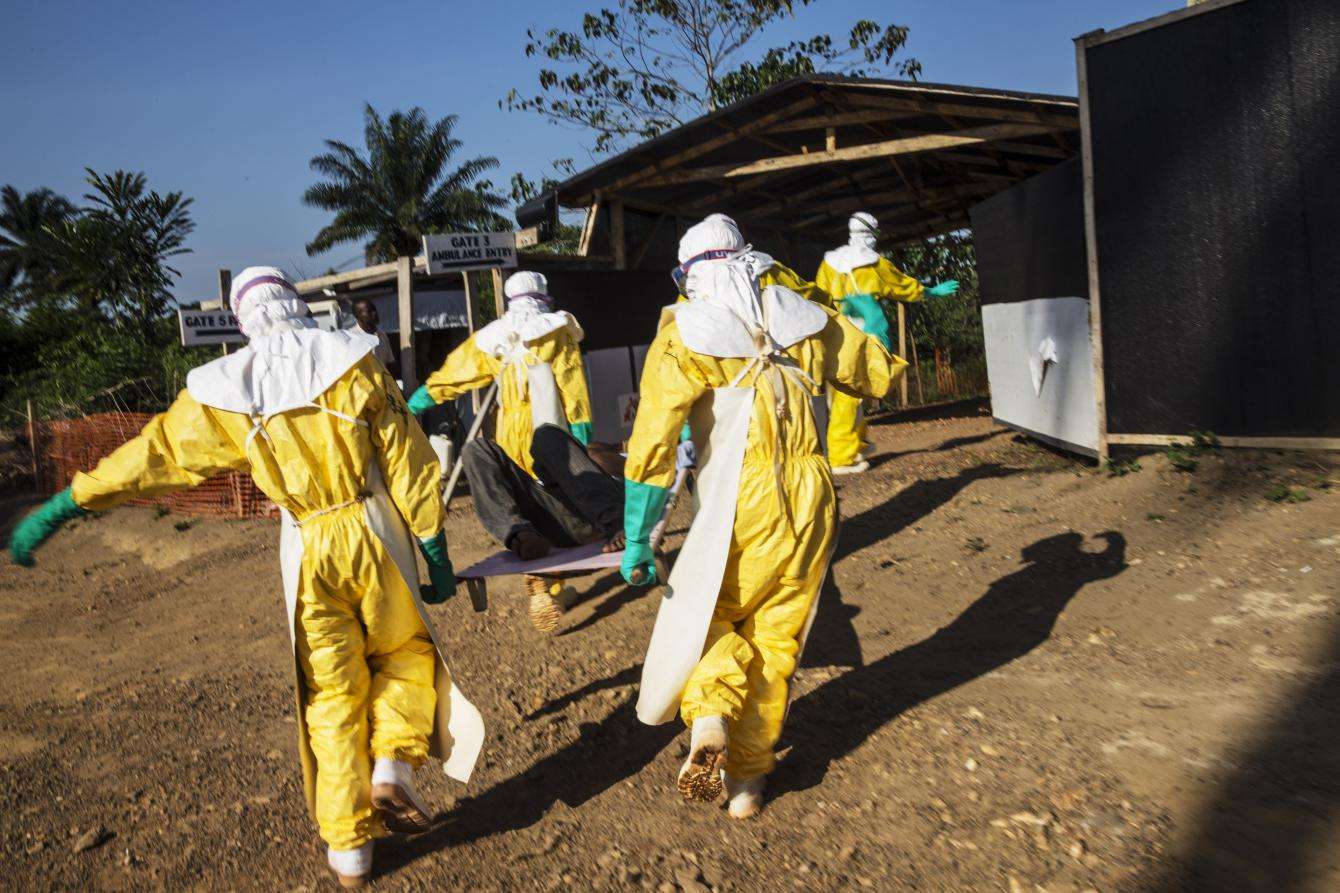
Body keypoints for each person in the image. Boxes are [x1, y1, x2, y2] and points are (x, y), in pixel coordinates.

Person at [7, 267, 484, 888]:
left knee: (331, 691)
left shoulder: (223, 391)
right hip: (372, 529)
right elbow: (409, 459)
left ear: (242, 320)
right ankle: (392, 764)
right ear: (297, 303)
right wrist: (436, 550)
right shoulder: (354, 360)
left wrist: (71, 501)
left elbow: (154, 455)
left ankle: (349, 852)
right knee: (404, 653)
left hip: (307, 545)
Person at [622, 216, 905, 819]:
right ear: (752, 259)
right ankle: (747, 782)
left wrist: (640, 536)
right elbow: (878, 374)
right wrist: (860, 321)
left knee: (711, 617)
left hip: (735, 501)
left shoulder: (684, 334)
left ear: (689, 275)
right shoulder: (804, 317)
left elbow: (652, 442)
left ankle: (710, 718)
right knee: (778, 642)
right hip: (811, 497)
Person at [406, 271, 593, 479]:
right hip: (549, 423)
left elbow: (455, 374)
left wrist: (418, 401)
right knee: (556, 487)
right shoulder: (558, 332)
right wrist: (581, 430)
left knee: (518, 486)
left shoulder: (491, 336)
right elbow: (572, 385)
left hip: (508, 428)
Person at [814, 211, 960, 474]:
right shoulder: (875, 264)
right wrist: (929, 291)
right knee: (853, 393)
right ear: (872, 234)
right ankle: (841, 456)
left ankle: (854, 443)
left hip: (835, 332)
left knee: (839, 394)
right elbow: (903, 286)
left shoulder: (829, 263)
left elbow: (818, 295)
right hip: (863, 334)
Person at [461, 422, 627, 633]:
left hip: (599, 511)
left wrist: (595, 457)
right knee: (476, 449)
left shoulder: (620, 458)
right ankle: (519, 534)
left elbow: (622, 467)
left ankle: (617, 520)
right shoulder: (579, 453)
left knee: (546, 434)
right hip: (555, 516)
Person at [351, 296, 399, 378]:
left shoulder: (382, 335)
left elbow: (390, 364)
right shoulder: (352, 339)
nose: (374, 313)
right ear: (357, 316)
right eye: (369, 312)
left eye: (374, 310)